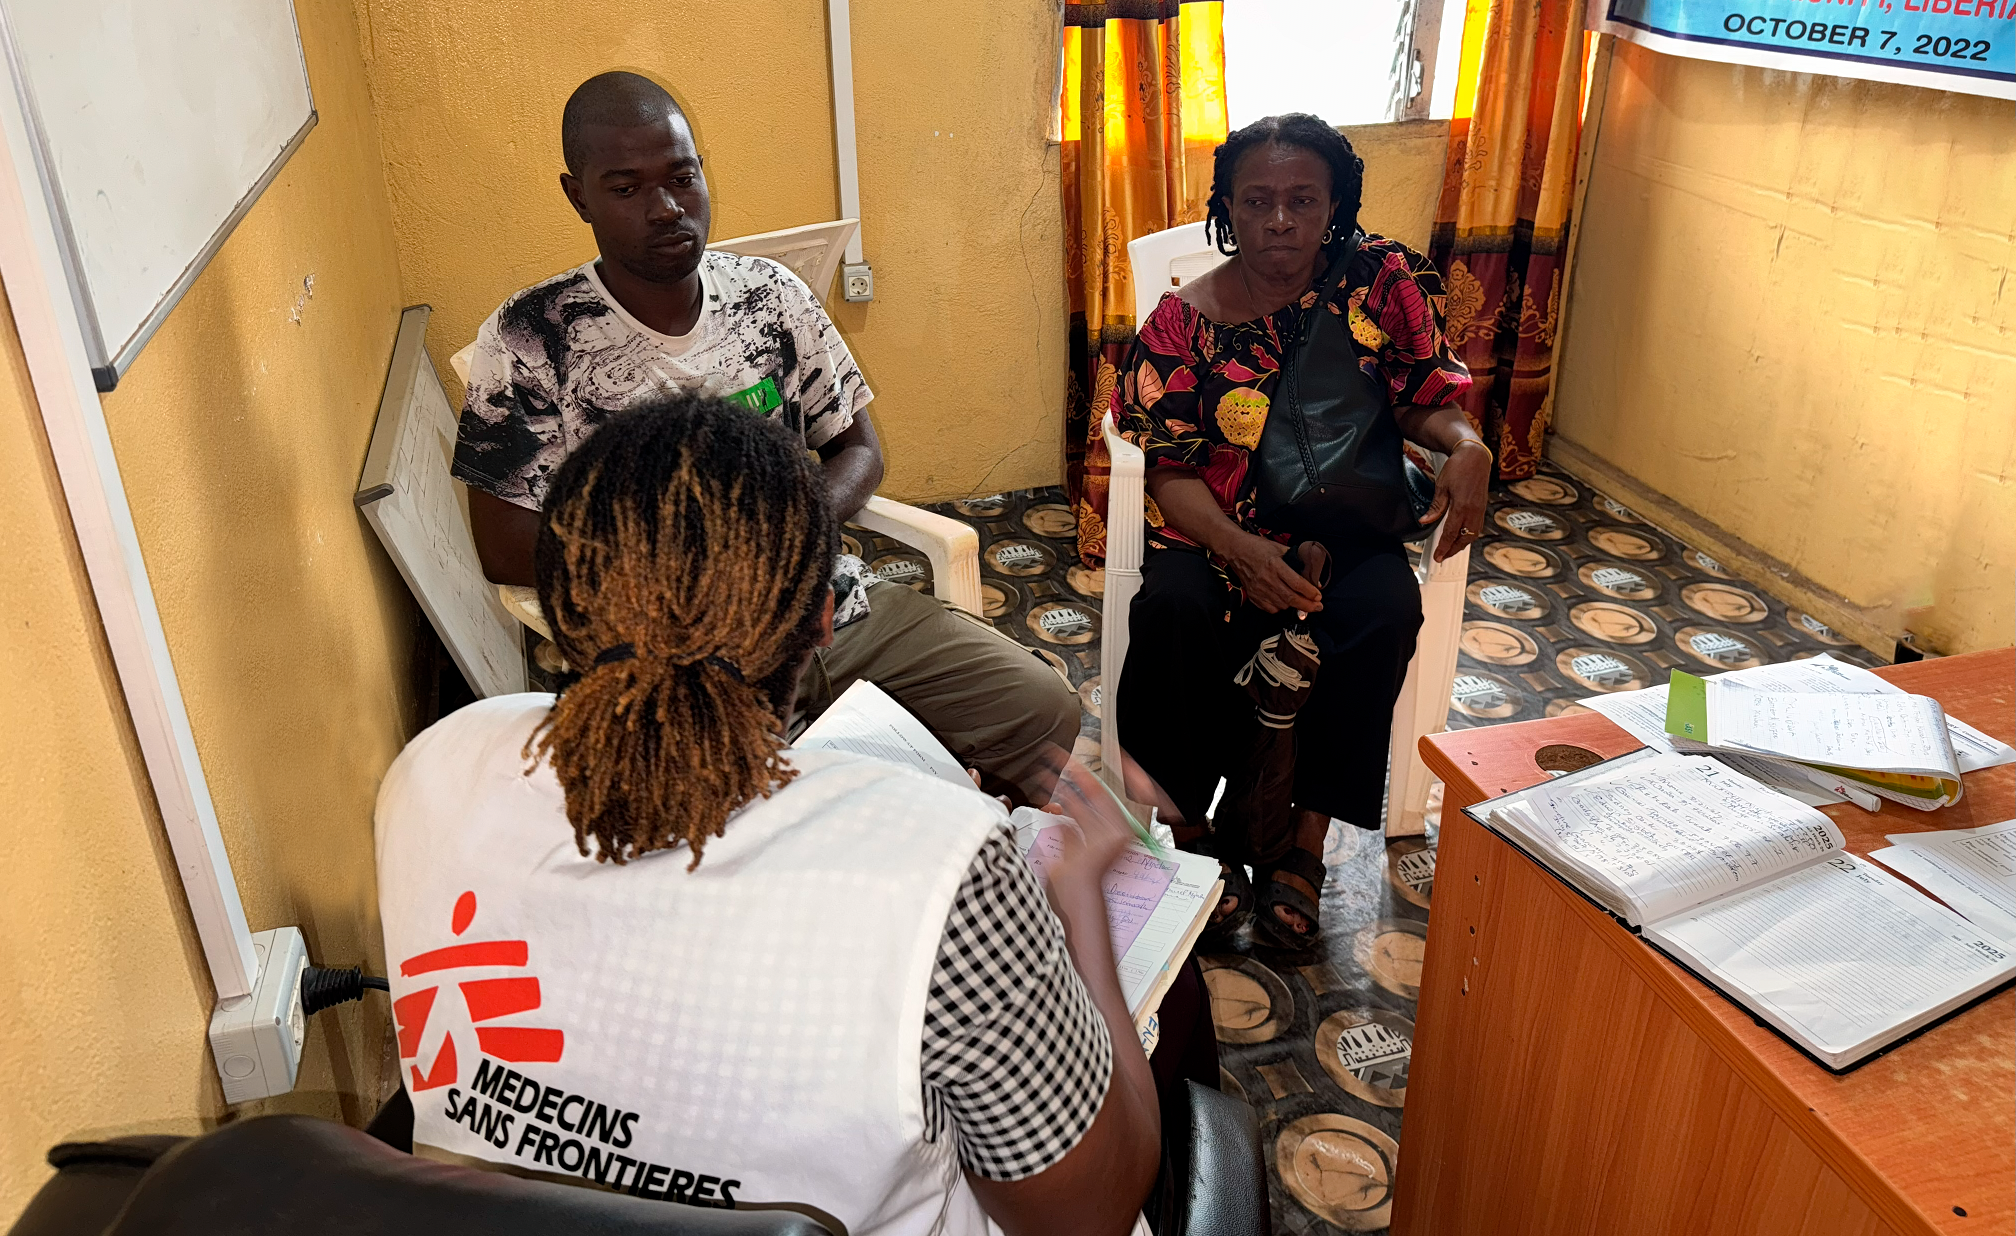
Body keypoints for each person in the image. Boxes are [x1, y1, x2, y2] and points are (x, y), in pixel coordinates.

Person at [378, 396, 1159, 1236]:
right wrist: (1079, 906)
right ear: (824, 617)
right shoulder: (944, 871)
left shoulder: (435, 769)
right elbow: (1091, 1213)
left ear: (562, 611)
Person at [451, 70, 1076, 806]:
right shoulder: (531, 337)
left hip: (830, 611)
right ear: (578, 195)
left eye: (681, 177)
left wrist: (787, 532)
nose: (666, 207)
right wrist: (696, 566)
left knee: (1044, 711)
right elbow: (503, 545)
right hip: (680, 658)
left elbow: (858, 451)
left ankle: (972, 838)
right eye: (626, 188)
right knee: (754, 819)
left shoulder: (769, 294)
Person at [1112, 114, 1487, 950]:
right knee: (1172, 611)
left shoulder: (1382, 281)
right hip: (1215, 533)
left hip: (1343, 520)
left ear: (1334, 206)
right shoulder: (1180, 324)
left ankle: (1305, 844)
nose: (1279, 220)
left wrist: (1467, 445)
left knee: (1384, 608)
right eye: (1256, 201)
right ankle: (1194, 837)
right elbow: (1169, 472)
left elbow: (1421, 397)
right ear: (1227, 209)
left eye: (1302, 200)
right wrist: (1239, 550)